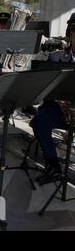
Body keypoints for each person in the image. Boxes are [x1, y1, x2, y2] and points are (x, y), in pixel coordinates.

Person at [31, 13, 75, 185]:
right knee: (39, 121)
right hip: (60, 110)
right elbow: (44, 90)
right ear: (70, 34)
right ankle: (53, 164)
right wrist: (57, 100)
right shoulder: (56, 58)